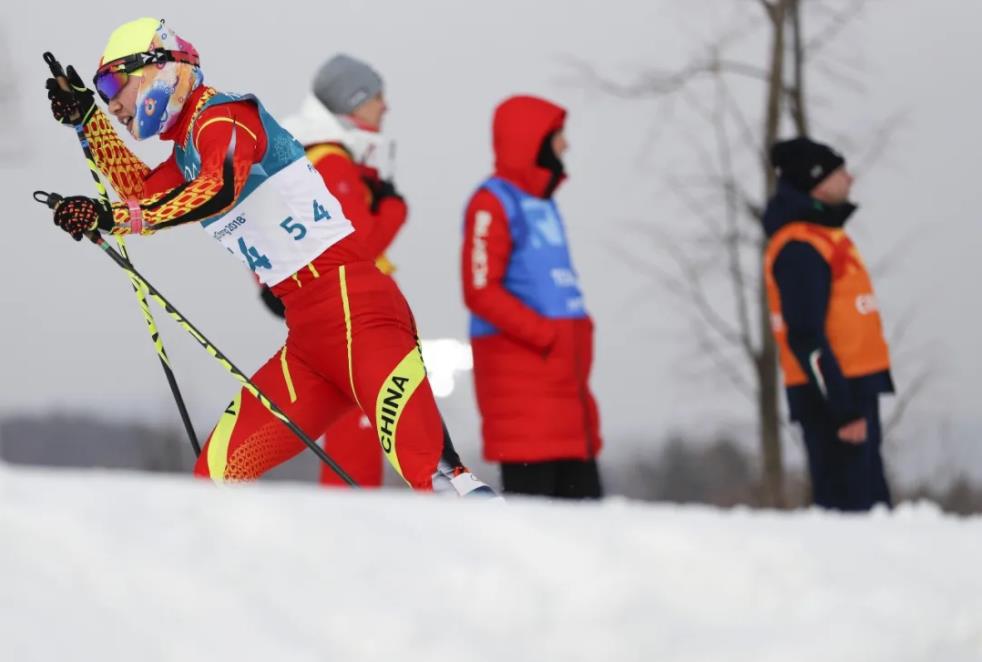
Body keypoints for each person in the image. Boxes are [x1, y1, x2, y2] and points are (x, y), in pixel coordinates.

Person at [43, 17, 492, 497]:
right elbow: (141, 194)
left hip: (357, 311)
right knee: (214, 479)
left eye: (115, 84)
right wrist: (88, 123)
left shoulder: (223, 115)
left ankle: (522, 563)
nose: (113, 103)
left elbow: (218, 189)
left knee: (441, 480)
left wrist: (112, 217)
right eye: (102, 91)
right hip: (308, 343)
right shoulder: (188, 150)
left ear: (160, 70)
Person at [255, 54, 407, 488]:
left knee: (346, 410)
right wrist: (394, 207)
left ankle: (344, 511)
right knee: (356, 416)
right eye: (377, 97)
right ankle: (352, 517)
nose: (385, 107)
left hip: (324, 303)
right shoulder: (332, 161)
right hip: (348, 308)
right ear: (353, 101)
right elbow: (356, 245)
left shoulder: (308, 153)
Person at [460, 95, 603, 499]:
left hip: (567, 397)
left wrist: (578, 333)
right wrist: (547, 336)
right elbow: (480, 290)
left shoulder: (543, 204)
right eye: (559, 135)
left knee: (591, 534)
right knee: (541, 539)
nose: (565, 145)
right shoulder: (492, 202)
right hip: (527, 401)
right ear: (533, 140)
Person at [764, 136, 894, 511]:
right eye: (840, 172)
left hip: (854, 392)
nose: (850, 179)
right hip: (836, 403)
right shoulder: (800, 248)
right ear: (815, 180)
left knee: (874, 516)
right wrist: (843, 409)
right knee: (853, 518)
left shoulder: (826, 238)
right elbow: (805, 336)